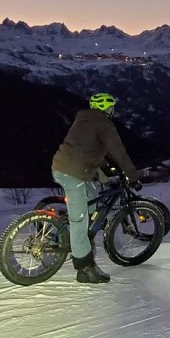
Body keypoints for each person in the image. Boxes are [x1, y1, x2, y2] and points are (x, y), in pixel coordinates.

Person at [51, 92, 142, 283]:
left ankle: (77, 238)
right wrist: (132, 177)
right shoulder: (104, 124)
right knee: (80, 221)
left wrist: (104, 177)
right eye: (111, 108)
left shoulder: (83, 118)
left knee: (93, 199)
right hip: (73, 174)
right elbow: (119, 152)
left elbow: (89, 152)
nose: (113, 111)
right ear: (106, 108)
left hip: (65, 167)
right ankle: (84, 268)